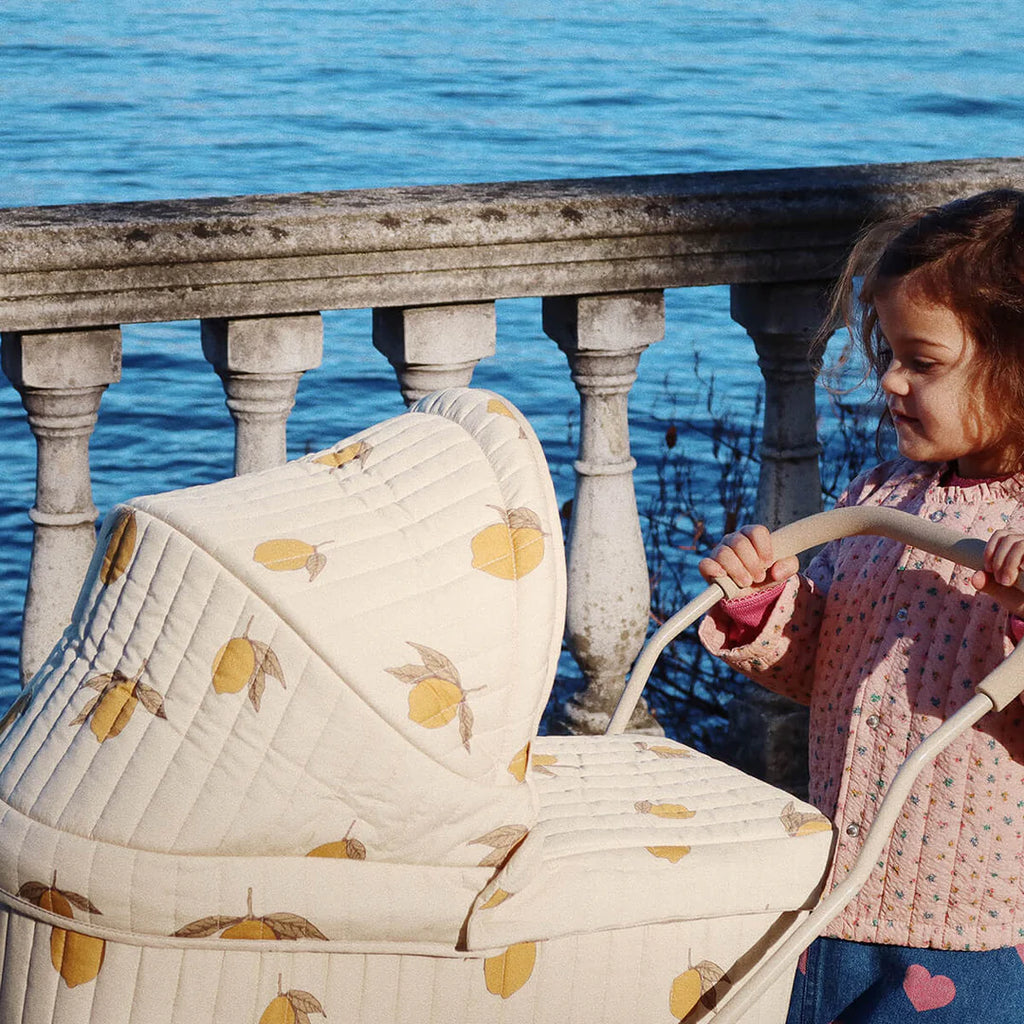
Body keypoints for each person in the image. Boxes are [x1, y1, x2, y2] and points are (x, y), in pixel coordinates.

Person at [697, 189, 1024, 1024]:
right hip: (834, 895)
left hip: (972, 929)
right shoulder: (883, 497)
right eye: (890, 352)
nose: (890, 379)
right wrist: (765, 609)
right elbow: (832, 669)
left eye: (923, 361)